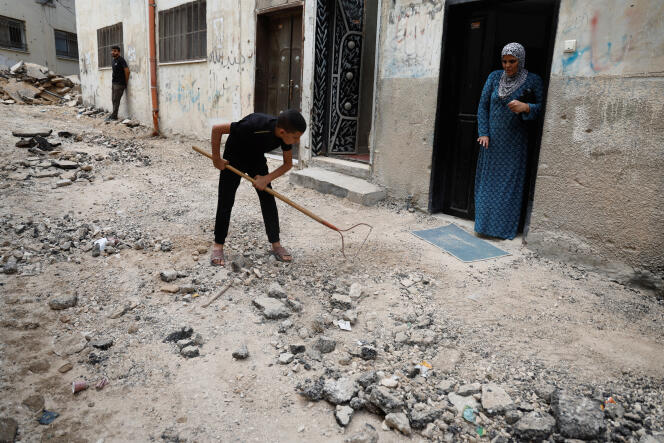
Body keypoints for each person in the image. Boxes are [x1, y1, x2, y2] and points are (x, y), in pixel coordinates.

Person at [209, 110, 306, 266]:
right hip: (235, 156)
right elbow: (217, 129)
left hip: (256, 158)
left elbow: (287, 164)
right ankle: (218, 245)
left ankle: (276, 244)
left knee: (268, 198)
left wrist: (266, 178)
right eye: (295, 137)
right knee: (226, 200)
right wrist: (216, 159)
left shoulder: (284, 137)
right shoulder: (254, 124)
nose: (296, 141)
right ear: (282, 131)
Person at [474, 42, 544, 239]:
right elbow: (482, 106)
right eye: (504, 61)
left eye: (512, 61)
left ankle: (503, 230)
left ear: (520, 60)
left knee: (508, 189)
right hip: (491, 143)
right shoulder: (494, 77)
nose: (507, 66)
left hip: (515, 144)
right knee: (487, 186)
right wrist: (484, 132)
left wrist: (526, 107)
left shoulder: (533, 80)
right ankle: (483, 226)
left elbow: (543, 108)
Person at [106, 45, 129, 121]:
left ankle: (114, 116)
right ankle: (113, 114)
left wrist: (125, 82)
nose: (113, 52)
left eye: (115, 51)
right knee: (113, 99)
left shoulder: (121, 60)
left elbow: (127, 71)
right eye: (112, 51)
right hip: (114, 83)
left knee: (116, 100)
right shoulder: (113, 61)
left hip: (120, 84)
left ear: (118, 52)